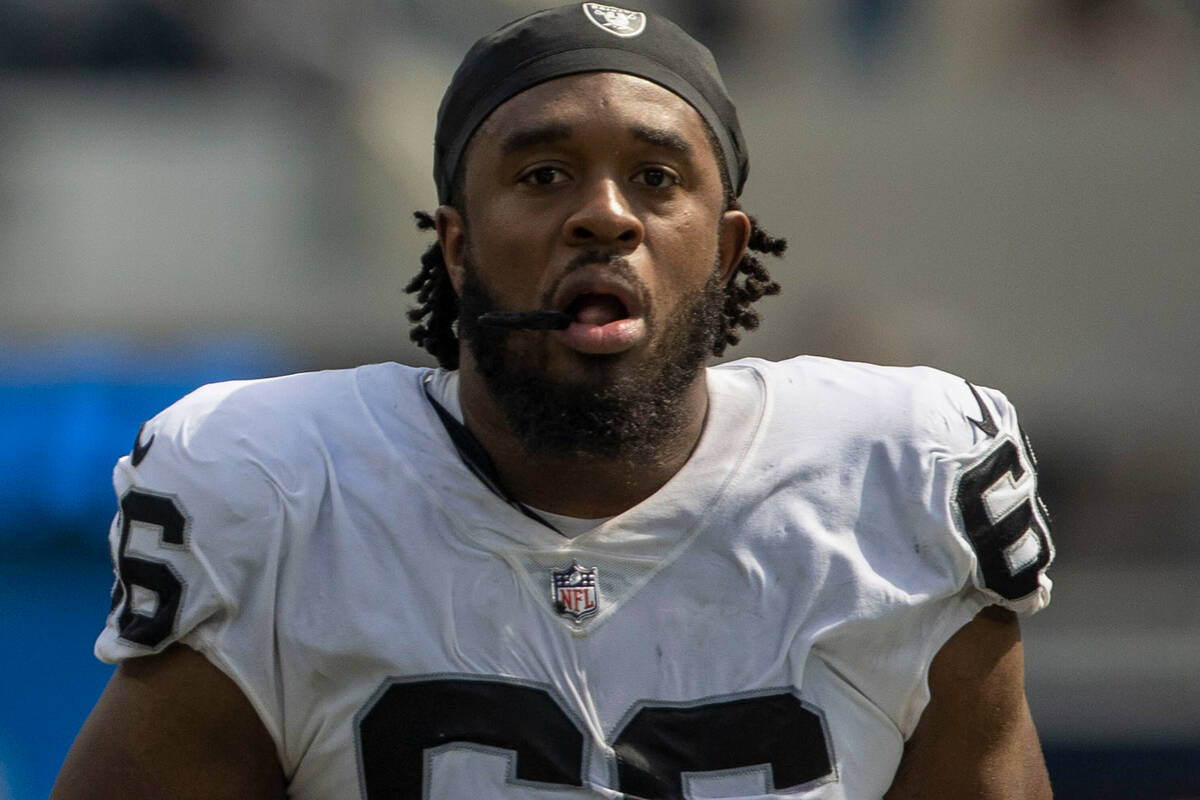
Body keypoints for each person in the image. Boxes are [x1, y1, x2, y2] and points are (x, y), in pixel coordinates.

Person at [52, 4, 1055, 798]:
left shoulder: (905, 480)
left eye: (658, 178)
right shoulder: (280, 489)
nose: (605, 215)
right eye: (543, 174)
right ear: (456, 246)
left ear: (727, 248)